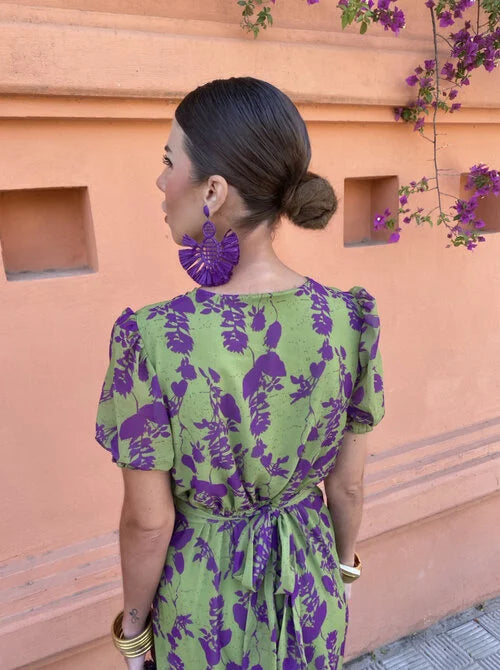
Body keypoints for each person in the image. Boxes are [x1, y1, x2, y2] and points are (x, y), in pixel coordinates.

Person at [95, 76, 385, 670]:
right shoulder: (349, 319)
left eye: (169, 161)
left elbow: (148, 523)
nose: (160, 181)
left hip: (203, 608)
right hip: (309, 587)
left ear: (213, 191)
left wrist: (134, 632)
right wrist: (343, 572)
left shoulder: (150, 338)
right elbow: (348, 486)